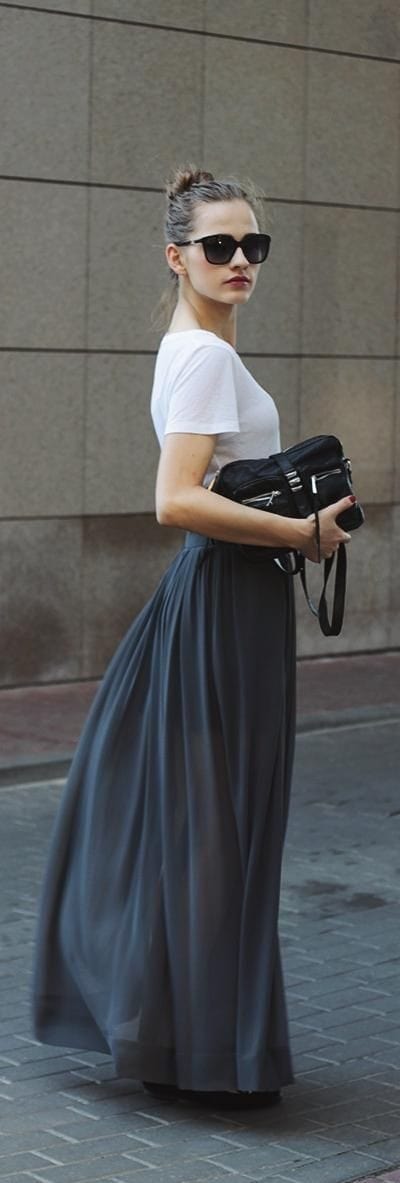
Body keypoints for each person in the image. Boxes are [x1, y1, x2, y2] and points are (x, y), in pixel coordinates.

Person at [31, 166, 353, 1109]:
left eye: (254, 244)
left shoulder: (192, 347)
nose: (241, 259)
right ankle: (214, 1050)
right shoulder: (205, 358)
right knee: (224, 827)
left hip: (222, 600)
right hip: (225, 599)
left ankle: (197, 1042)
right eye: (220, 245)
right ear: (178, 256)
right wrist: (303, 532)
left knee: (207, 826)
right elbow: (176, 499)